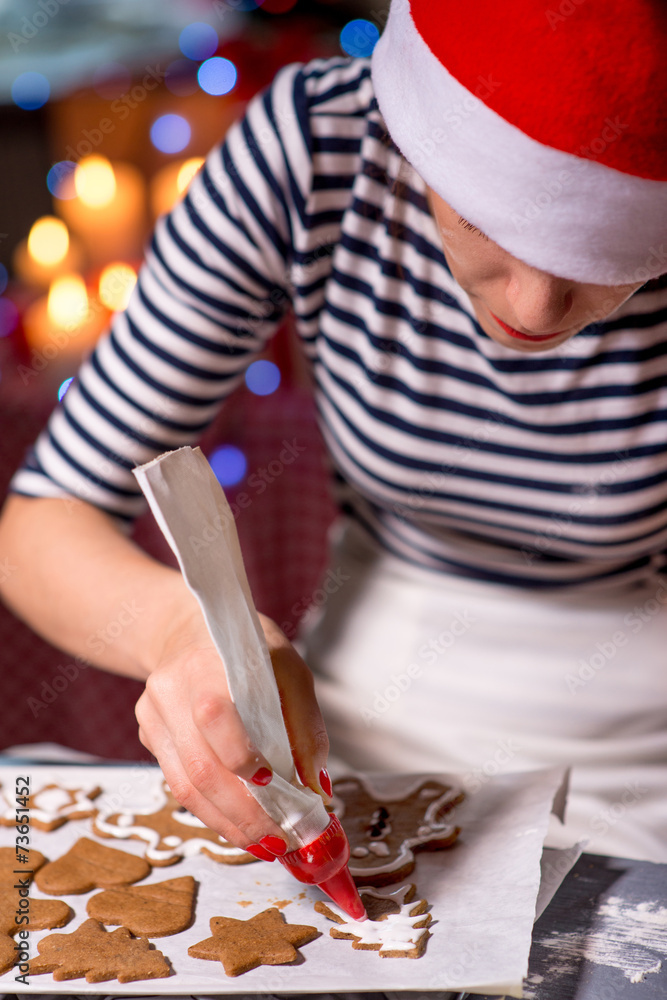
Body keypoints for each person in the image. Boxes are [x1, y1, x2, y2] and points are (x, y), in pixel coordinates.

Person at [1, 0, 666, 863]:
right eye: (481, 220)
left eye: (604, 255)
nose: (530, 307)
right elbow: (44, 522)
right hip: (354, 738)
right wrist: (181, 634)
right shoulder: (313, 147)